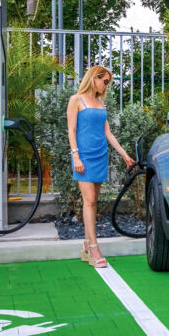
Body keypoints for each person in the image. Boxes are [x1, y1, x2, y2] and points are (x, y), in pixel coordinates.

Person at [66, 66, 134, 268]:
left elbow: (108, 133)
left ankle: (87, 246)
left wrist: (124, 155)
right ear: (94, 78)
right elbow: (71, 130)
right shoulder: (76, 100)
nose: (107, 85)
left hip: (100, 155)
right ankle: (94, 248)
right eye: (105, 81)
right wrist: (75, 156)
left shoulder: (100, 103)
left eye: (108, 82)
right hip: (83, 156)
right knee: (90, 200)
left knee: (93, 203)